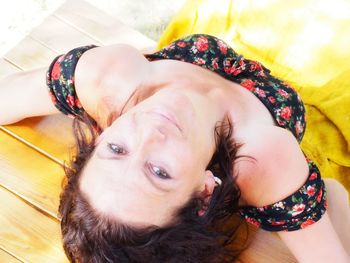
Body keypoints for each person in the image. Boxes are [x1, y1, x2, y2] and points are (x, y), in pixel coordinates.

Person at [0, 34, 349, 262]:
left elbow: (10, 92)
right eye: (159, 172)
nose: (150, 133)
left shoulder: (106, 78)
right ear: (202, 192)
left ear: (100, 136)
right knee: (331, 197)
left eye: (118, 150)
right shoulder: (265, 163)